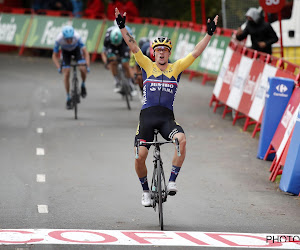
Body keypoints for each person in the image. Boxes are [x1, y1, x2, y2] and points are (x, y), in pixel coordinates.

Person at [114, 8, 218, 206]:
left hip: (166, 119)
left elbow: (195, 52)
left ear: (169, 53)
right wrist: (122, 27)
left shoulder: (176, 67)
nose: (161, 52)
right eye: (158, 49)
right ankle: (145, 191)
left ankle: (171, 181)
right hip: (146, 118)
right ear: (153, 53)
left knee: (181, 140)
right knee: (140, 156)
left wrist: (209, 34)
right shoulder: (146, 65)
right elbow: (133, 45)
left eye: (165, 49)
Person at [52, 25, 90, 109]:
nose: (69, 41)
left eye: (70, 39)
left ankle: (83, 85)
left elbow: (86, 53)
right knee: (67, 73)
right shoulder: (59, 39)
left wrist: (87, 65)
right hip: (65, 53)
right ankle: (68, 97)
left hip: (76, 50)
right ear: (64, 37)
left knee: (82, 68)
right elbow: (54, 56)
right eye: (67, 39)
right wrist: (59, 67)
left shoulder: (77, 37)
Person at [102, 25, 136, 95]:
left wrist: (130, 61)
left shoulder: (127, 35)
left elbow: (132, 49)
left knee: (125, 64)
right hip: (112, 46)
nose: (116, 46)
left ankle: (130, 83)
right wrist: (106, 63)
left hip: (123, 45)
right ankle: (117, 81)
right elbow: (103, 53)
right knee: (112, 62)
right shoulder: (107, 38)